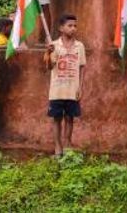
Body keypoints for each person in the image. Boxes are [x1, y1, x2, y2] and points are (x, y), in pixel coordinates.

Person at [46, 14, 86, 157]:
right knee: (57, 119)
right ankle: (58, 146)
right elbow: (49, 67)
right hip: (57, 90)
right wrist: (48, 53)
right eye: (70, 26)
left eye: (75, 26)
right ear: (61, 28)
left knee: (70, 118)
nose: (73, 28)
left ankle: (68, 144)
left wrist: (80, 87)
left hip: (72, 89)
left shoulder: (79, 46)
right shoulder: (54, 45)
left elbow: (82, 67)